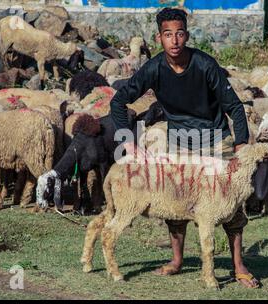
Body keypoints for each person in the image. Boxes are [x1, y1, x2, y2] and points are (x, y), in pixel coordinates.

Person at [110, 7, 259, 288]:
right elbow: (118, 102)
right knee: (176, 203)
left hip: (216, 139)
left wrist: (240, 146)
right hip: (180, 143)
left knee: (231, 204)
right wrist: (128, 142)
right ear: (159, 37)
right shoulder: (153, 68)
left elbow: (235, 107)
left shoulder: (205, 65)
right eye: (168, 35)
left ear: (187, 35)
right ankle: (177, 260)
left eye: (179, 34)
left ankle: (238, 265)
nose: (174, 40)